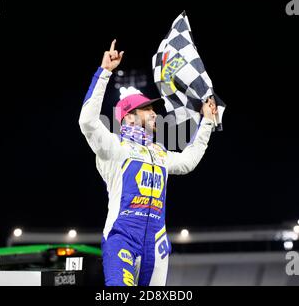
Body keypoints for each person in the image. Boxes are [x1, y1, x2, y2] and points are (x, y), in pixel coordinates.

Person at [79, 40, 217, 286]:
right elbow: (87, 121)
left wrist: (206, 122)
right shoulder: (113, 147)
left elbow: (188, 162)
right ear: (128, 117)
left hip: (156, 243)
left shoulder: (159, 153)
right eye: (146, 109)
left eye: (153, 108)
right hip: (122, 237)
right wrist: (104, 72)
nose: (154, 113)